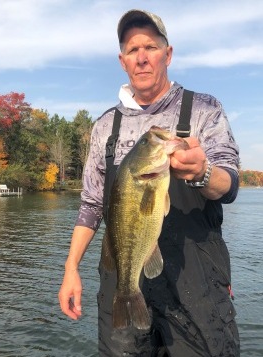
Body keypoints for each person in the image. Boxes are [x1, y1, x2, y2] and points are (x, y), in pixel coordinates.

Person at [58, 9, 240, 357]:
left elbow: (228, 184)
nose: (141, 57)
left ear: (167, 54)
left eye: (151, 47)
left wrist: (202, 173)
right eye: (131, 50)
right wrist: (70, 268)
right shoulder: (104, 127)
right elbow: (91, 206)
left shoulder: (204, 109)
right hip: (123, 281)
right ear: (122, 60)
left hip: (196, 287)